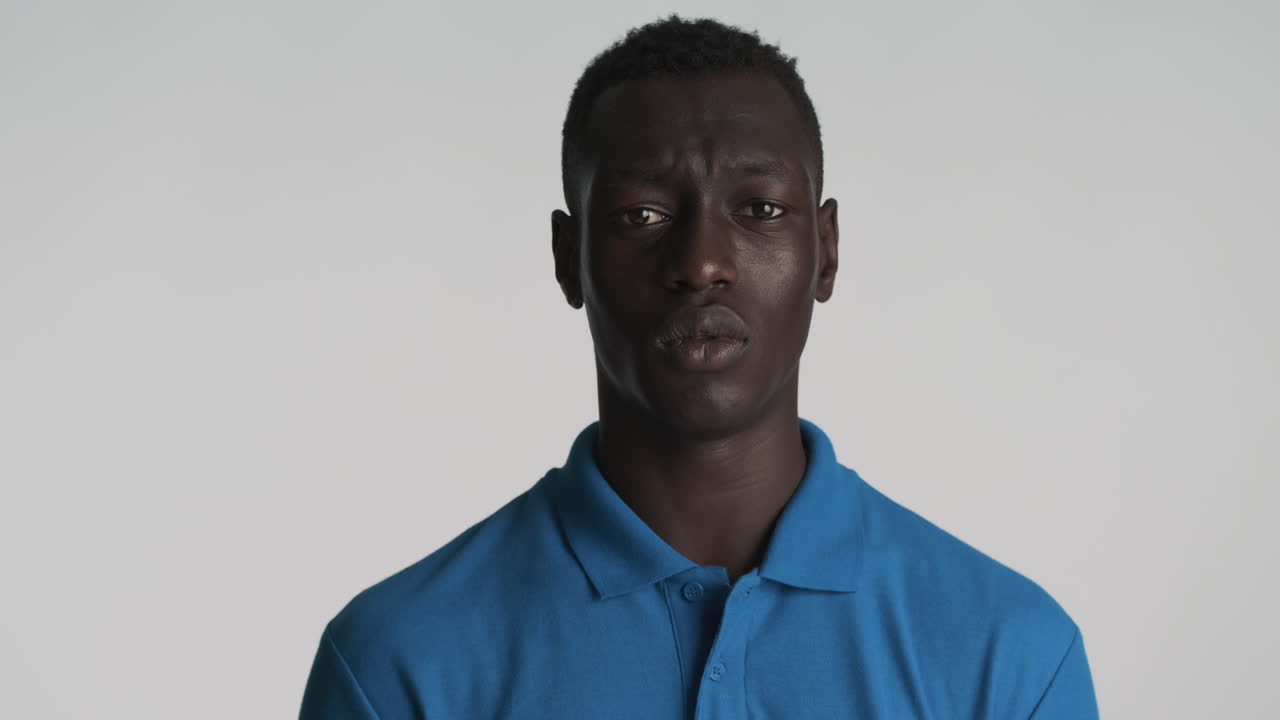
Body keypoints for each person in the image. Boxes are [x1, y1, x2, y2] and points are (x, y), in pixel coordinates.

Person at [299, 15, 1099, 719]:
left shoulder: (1009, 654)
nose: (702, 262)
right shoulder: (398, 663)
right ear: (568, 259)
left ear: (826, 252)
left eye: (760, 209)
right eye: (641, 215)